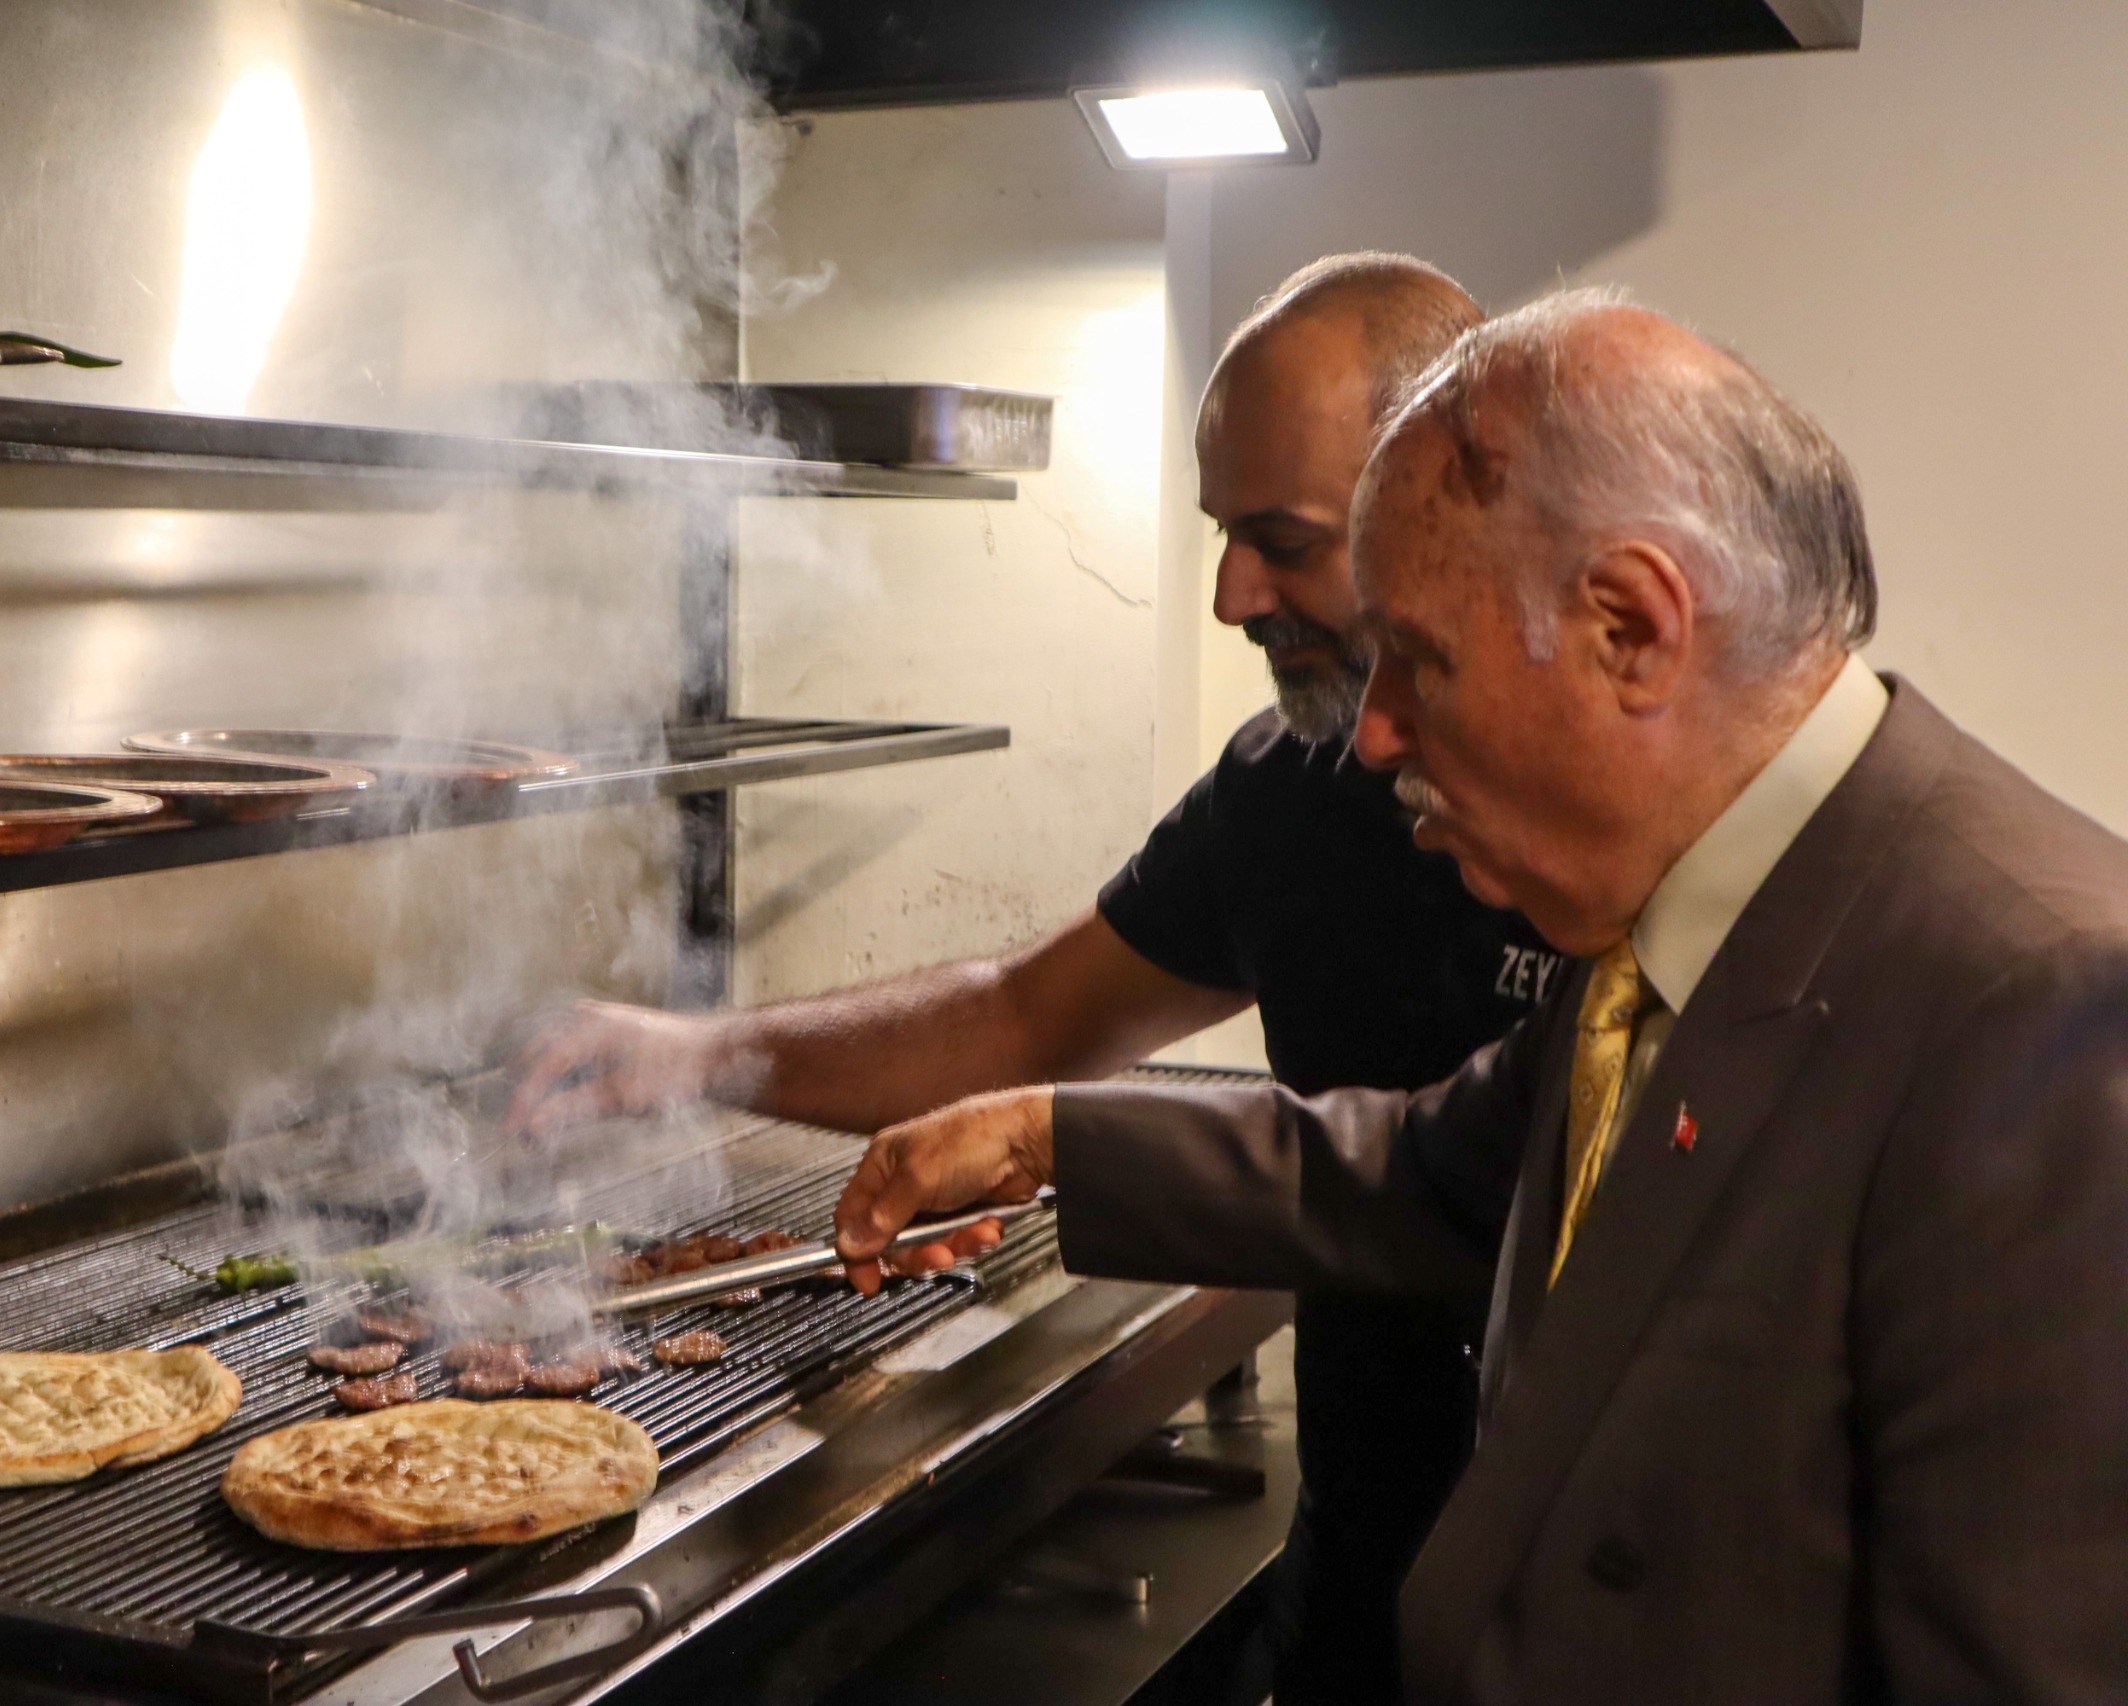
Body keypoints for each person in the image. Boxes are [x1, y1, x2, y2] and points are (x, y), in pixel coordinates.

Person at [832, 289, 2128, 1703]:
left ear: (1631, 628)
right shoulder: (1680, 924)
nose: (1377, 731)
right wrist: (1039, 1138)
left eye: (1421, 660)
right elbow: (1427, 1172)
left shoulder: (2044, 1011)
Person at [505, 254, 1556, 1703]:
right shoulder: (1293, 789)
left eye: (1283, 538)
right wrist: (696, 1052)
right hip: (1360, 1586)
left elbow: (1476, 1189)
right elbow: (1025, 1014)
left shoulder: (1619, 833)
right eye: (1222, 534)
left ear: (1441, 502)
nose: (1232, 593)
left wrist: (1060, 1140)